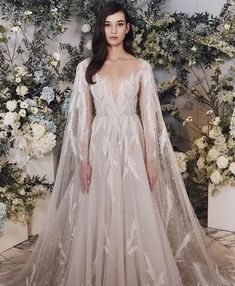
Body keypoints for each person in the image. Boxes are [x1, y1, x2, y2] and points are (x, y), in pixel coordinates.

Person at [1, 1, 235, 285]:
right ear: (102, 28)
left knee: (135, 206)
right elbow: (83, 121)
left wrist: (151, 161)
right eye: (108, 24)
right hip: (100, 144)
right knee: (99, 205)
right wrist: (84, 161)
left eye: (119, 24)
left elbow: (149, 119)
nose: (113, 30)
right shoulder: (86, 67)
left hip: (131, 144)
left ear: (128, 28)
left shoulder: (140, 67)